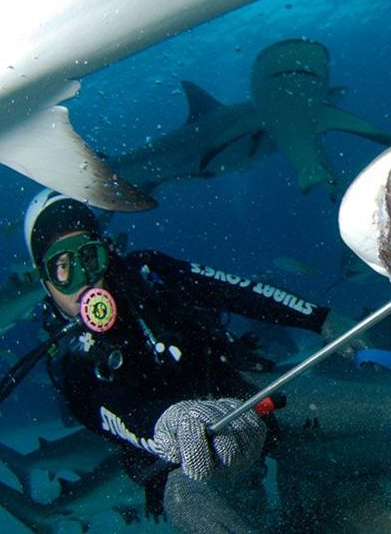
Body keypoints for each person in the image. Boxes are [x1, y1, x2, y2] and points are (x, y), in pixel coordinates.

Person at [20, 189, 329, 531]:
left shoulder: (148, 272)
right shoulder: (72, 365)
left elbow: (231, 290)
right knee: (190, 502)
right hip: (177, 462)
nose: (84, 279)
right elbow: (113, 410)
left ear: (106, 254)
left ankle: (317, 495)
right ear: (45, 279)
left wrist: (317, 318)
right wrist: (172, 422)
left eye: (90, 258)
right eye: (63, 267)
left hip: (250, 398)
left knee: (371, 421)